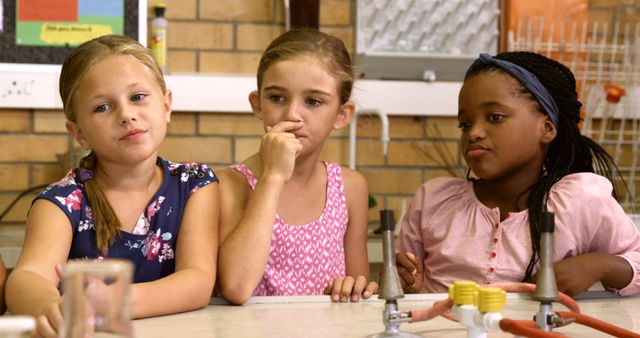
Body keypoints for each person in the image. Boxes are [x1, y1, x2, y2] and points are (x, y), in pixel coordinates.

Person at [5, 35, 219, 337]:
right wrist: (51, 308)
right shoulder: (62, 202)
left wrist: (111, 302)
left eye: (137, 97)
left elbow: (197, 281)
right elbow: (26, 277)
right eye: (103, 107)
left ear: (166, 105)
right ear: (79, 133)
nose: (126, 115)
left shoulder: (195, 185)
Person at [395, 51, 640, 297]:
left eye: (495, 117)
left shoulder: (580, 201)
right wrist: (408, 284)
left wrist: (597, 265)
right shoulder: (434, 201)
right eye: (465, 124)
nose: (474, 133)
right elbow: (401, 281)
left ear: (546, 128)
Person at [216, 28, 378, 305]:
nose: (292, 114)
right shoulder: (228, 185)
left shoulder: (350, 188)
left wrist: (351, 287)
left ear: (342, 114)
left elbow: (358, 291)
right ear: (257, 104)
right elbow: (235, 286)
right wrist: (273, 177)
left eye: (313, 101)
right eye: (277, 98)